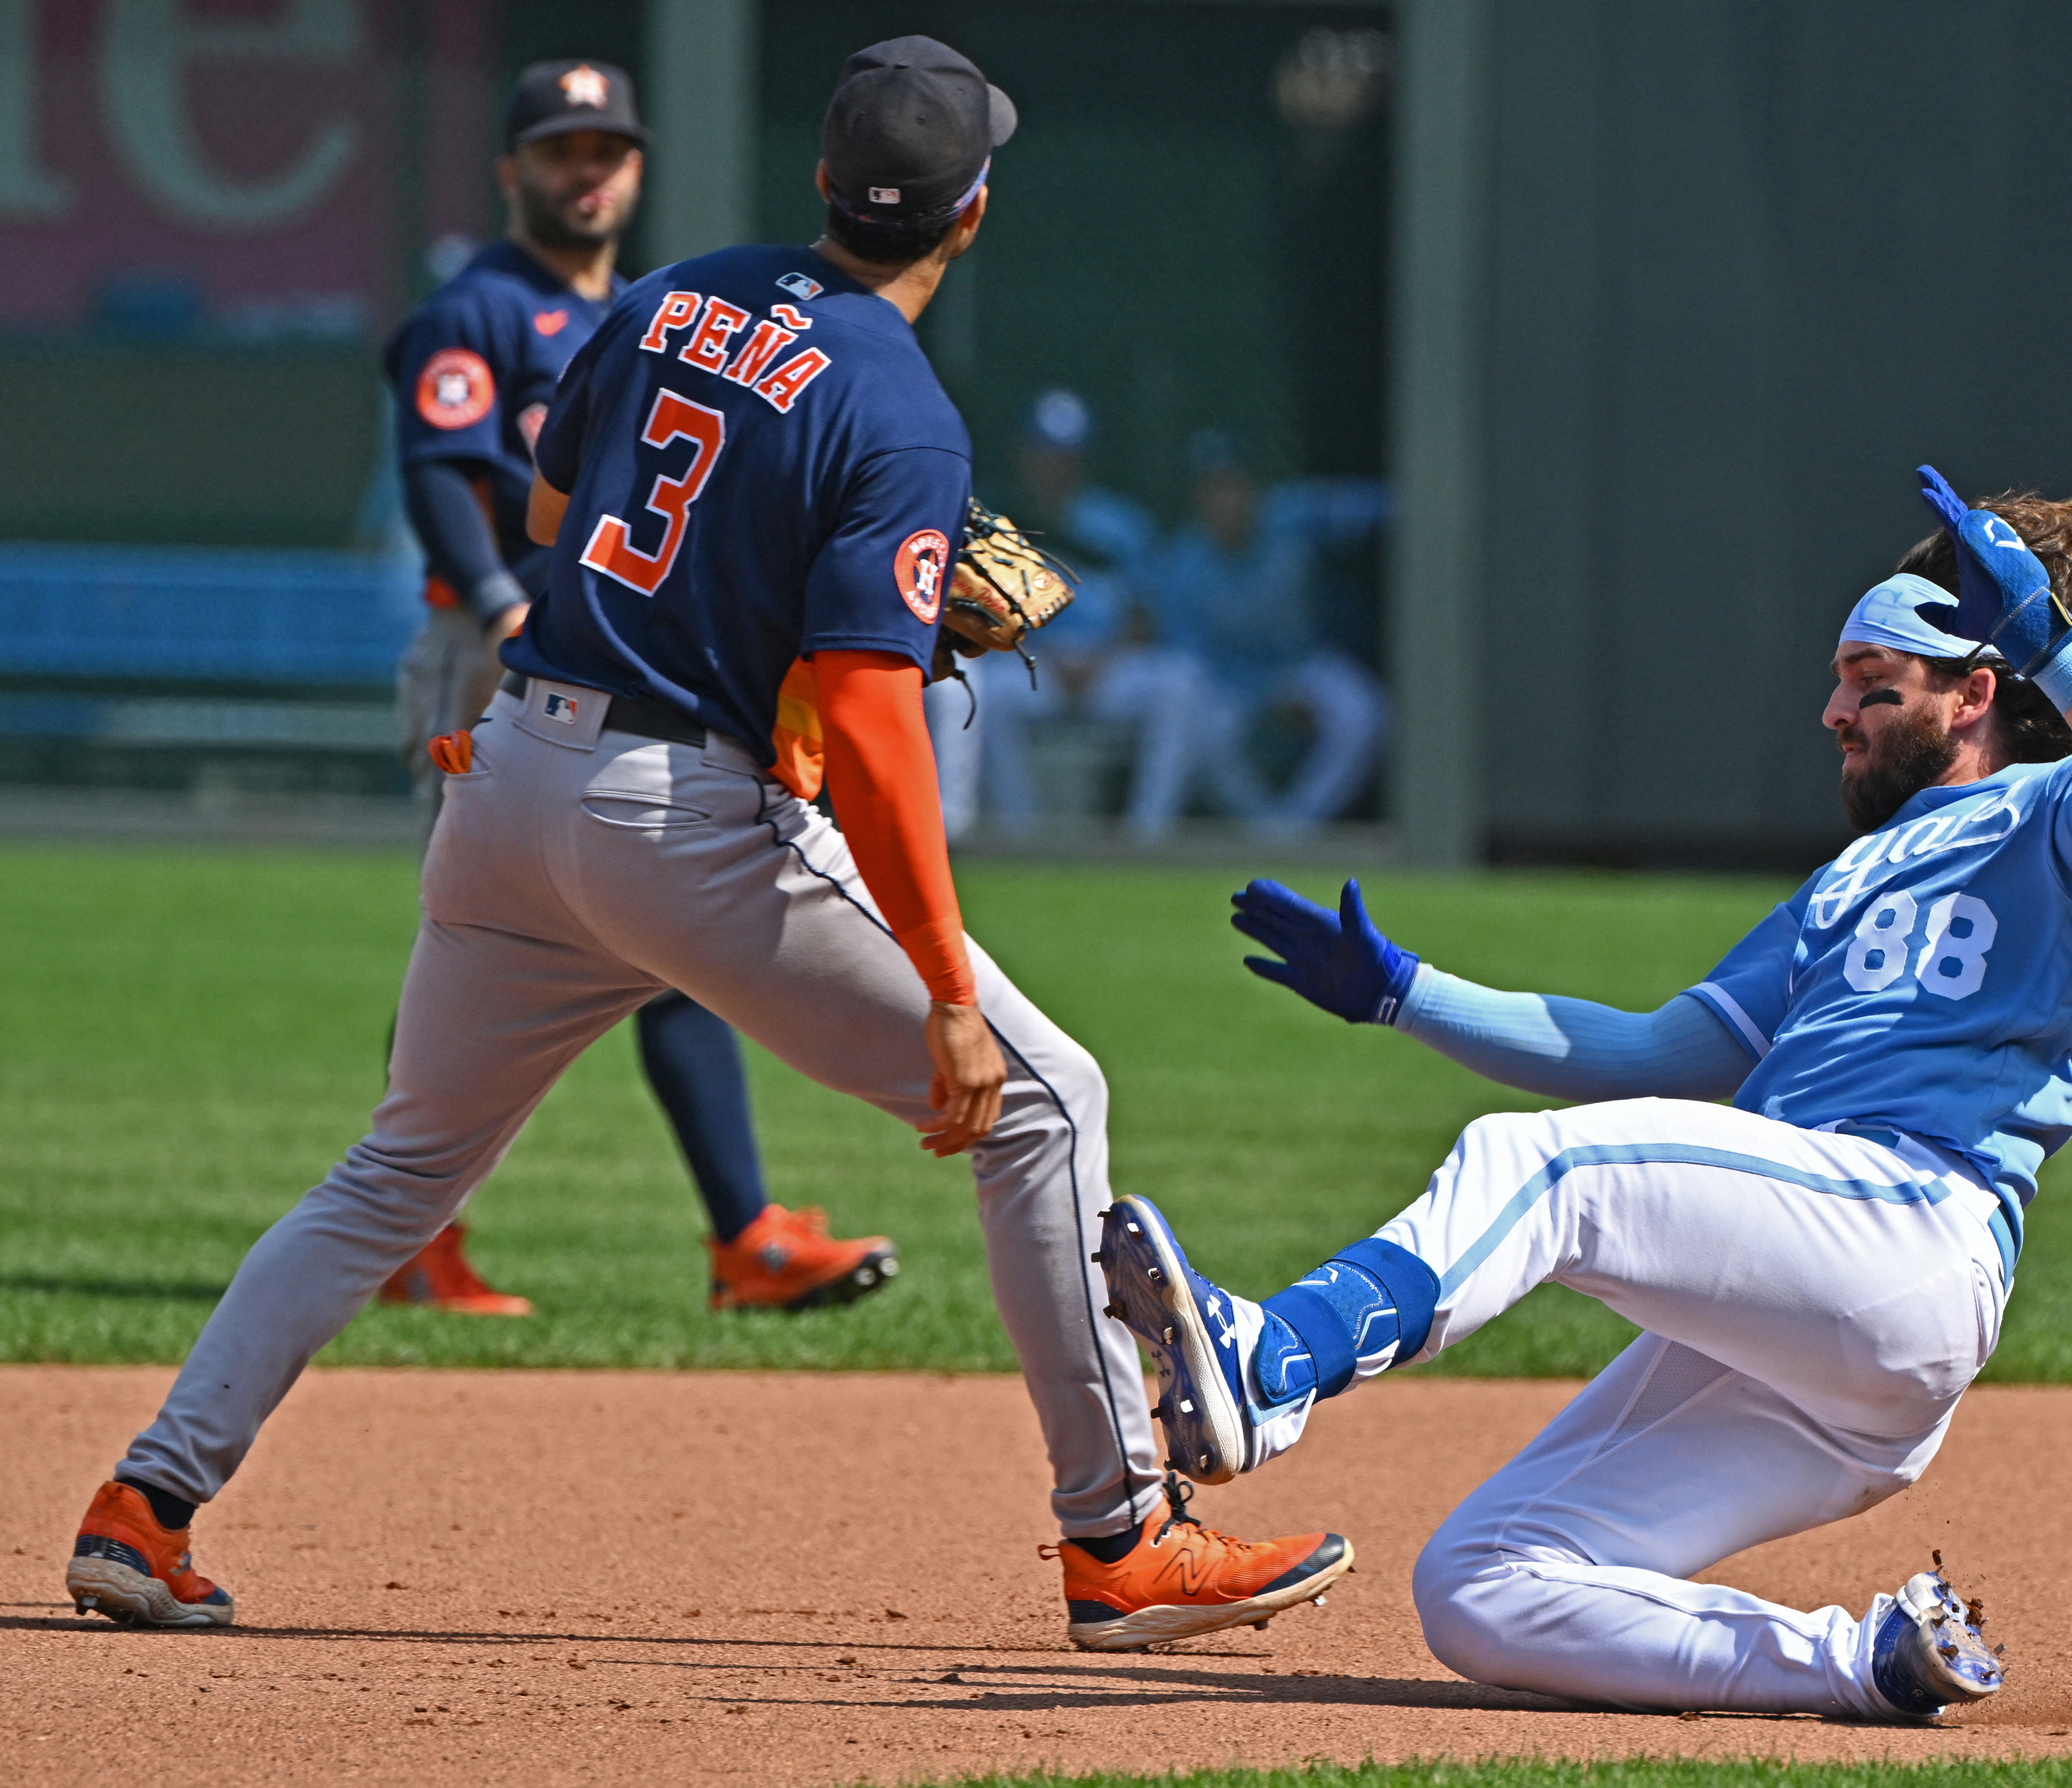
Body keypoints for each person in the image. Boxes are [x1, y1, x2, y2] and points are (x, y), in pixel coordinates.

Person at [66, 37, 1350, 1650]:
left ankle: (146, 1500)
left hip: (517, 779)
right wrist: (945, 978)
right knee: (1044, 1099)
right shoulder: (900, 410)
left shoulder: (672, 295)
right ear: (970, 212)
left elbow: (549, 517)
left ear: (821, 183)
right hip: (676, 816)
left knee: (394, 1169)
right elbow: (875, 730)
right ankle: (1119, 1536)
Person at [1095, 467, 2072, 1719]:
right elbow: (1649, 1062)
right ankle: (1862, 1662)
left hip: (1911, 1223)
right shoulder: (1840, 886)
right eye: (1836, 680)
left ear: (1976, 694)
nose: (1833, 711)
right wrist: (1408, 993)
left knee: (1537, 1165)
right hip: (1808, 1332)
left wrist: (2051, 640)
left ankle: (1278, 1360)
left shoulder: (2059, 812)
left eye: (1873, 684)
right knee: (1479, 1584)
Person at [379, 59, 885, 1315]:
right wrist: (503, 606)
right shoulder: (479, 311)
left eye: (605, 149)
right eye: (560, 149)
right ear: (512, 171)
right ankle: (434, 1230)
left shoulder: (640, 314)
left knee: (627, 951)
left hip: (592, 657)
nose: (586, 171)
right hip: (491, 649)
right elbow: (443, 474)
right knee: (499, 951)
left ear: (639, 168)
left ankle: (736, 1234)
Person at [922, 387, 1202, 837]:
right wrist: (1038, 654)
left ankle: (1148, 833)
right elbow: (969, 617)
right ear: (1023, 455)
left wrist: (1104, 660)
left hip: (1108, 665)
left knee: (1182, 683)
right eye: (1043, 455)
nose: (1053, 467)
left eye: (1065, 457)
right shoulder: (987, 519)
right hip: (1028, 664)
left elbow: (1144, 616)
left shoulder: (1119, 523)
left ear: (1084, 460)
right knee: (977, 690)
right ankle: (1024, 832)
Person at [1138, 430, 1389, 836]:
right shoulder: (1185, 563)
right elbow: (1191, 658)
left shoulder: (1293, 515)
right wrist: (1267, 701)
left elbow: (1379, 506)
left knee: (1363, 714)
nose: (1227, 501)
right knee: (1204, 729)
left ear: (1253, 489)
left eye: (1234, 486)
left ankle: (1298, 825)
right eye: (1214, 490)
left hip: (1304, 663)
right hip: (1231, 683)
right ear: (1198, 500)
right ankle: (1266, 829)